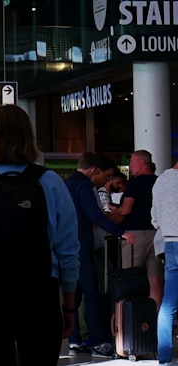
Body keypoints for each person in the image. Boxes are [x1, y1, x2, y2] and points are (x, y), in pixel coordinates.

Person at [0, 104, 79, 365]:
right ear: (27, 135)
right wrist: (68, 306)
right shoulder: (51, 182)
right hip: (40, 295)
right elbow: (68, 252)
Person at [64, 152, 134, 357]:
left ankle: (74, 339)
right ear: (95, 170)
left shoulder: (66, 184)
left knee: (73, 296)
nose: (107, 181)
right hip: (82, 246)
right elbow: (93, 214)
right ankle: (97, 341)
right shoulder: (85, 186)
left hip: (67, 246)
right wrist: (120, 232)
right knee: (92, 293)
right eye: (106, 175)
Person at [115, 149, 164, 308]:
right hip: (157, 234)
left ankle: (131, 320)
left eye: (132, 162)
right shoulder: (160, 181)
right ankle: (153, 320)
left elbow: (126, 210)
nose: (129, 166)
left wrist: (113, 211)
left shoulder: (134, 184)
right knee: (155, 281)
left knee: (129, 279)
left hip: (135, 236)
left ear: (142, 163)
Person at [151, 157, 178, 365]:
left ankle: (165, 356)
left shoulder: (160, 181)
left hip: (169, 243)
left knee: (168, 304)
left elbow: (155, 219)